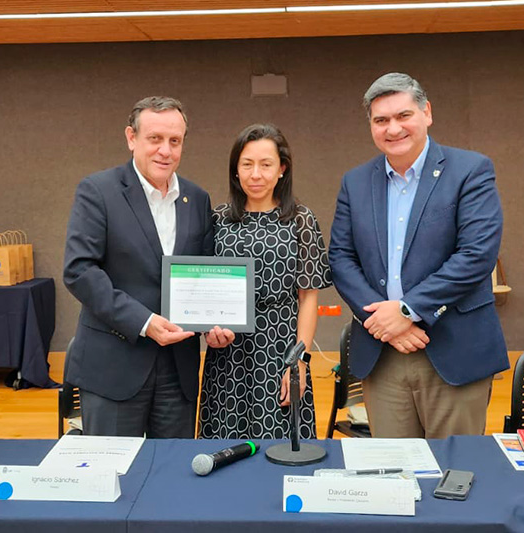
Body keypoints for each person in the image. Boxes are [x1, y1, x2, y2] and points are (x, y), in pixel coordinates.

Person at [329, 73, 509, 439]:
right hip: (383, 353)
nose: (393, 128)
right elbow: (341, 258)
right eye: (381, 120)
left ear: (426, 113)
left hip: (452, 349)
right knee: (393, 473)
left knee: (452, 473)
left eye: (403, 115)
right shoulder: (355, 182)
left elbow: (476, 255)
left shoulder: (470, 170)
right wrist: (382, 320)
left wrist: (407, 310)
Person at [63, 96, 234, 438]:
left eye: (175, 141)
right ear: (131, 138)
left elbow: (201, 273)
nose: (165, 151)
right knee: (112, 475)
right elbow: (80, 270)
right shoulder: (98, 191)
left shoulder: (197, 199)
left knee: (171, 478)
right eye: (155, 139)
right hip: (114, 366)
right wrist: (144, 322)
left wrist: (214, 324)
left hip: (178, 369)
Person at [198, 123, 332, 440]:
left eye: (266, 164)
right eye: (247, 164)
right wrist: (209, 331)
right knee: (224, 442)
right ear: (236, 170)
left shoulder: (300, 220)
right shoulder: (217, 220)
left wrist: (299, 360)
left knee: (281, 445)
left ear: (282, 169)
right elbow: (203, 291)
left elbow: (308, 297)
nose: (255, 174)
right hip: (227, 353)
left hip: (281, 348)